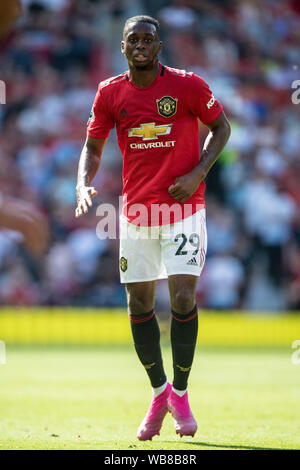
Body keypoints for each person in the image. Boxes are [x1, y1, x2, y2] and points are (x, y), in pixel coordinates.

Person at [75, 15, 230, 441]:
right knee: (138, 305)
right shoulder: (110, 92)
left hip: (184, 210)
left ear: (159, 45)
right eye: (133, 40)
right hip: (137, 215)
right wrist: (82, 181)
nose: (141, 45)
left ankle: (180, 393)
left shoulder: (187, 85)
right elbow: (92, 143)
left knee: (182, 297)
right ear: (122, 47)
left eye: (148, 39)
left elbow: (221, 128)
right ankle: (160, 392)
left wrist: (198, 173)